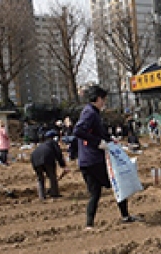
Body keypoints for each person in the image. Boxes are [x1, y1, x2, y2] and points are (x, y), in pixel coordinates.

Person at [73, 85, 138, 229]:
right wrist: (98, 143)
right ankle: (125, 216)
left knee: (95, 193)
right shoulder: (90, 113)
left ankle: (89, 224)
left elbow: (97, 131)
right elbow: (78, 131)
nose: (104, 102)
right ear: (97, 99)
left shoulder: (91, 112)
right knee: (118, 183)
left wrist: (109, 139)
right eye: (103, 99)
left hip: (85, 161)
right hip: (94, 159)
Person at [30, 129, 68, 200]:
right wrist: (63, 165)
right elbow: (58, 154)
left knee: (40, 178)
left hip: (34, 159)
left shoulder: (43, 144)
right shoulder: (53, 143)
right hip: (47, 158)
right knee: (52, 176)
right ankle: (54, 194)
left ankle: (42, 196)